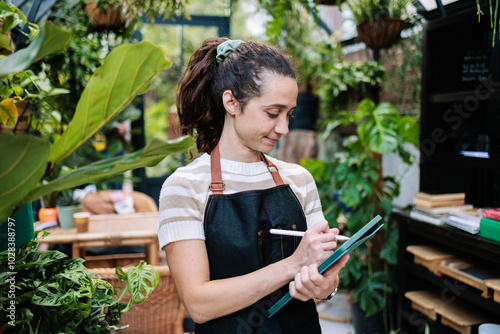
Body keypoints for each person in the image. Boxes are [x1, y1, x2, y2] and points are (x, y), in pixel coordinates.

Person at [158, 37, 349, 334]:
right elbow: (198, 303)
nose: (284, 128)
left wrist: (324, 285)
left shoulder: (299, 180)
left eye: (289, 114)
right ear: (231, 102)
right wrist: (292, 265)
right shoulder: (184, 187)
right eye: (273, 113)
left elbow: (323, 282)